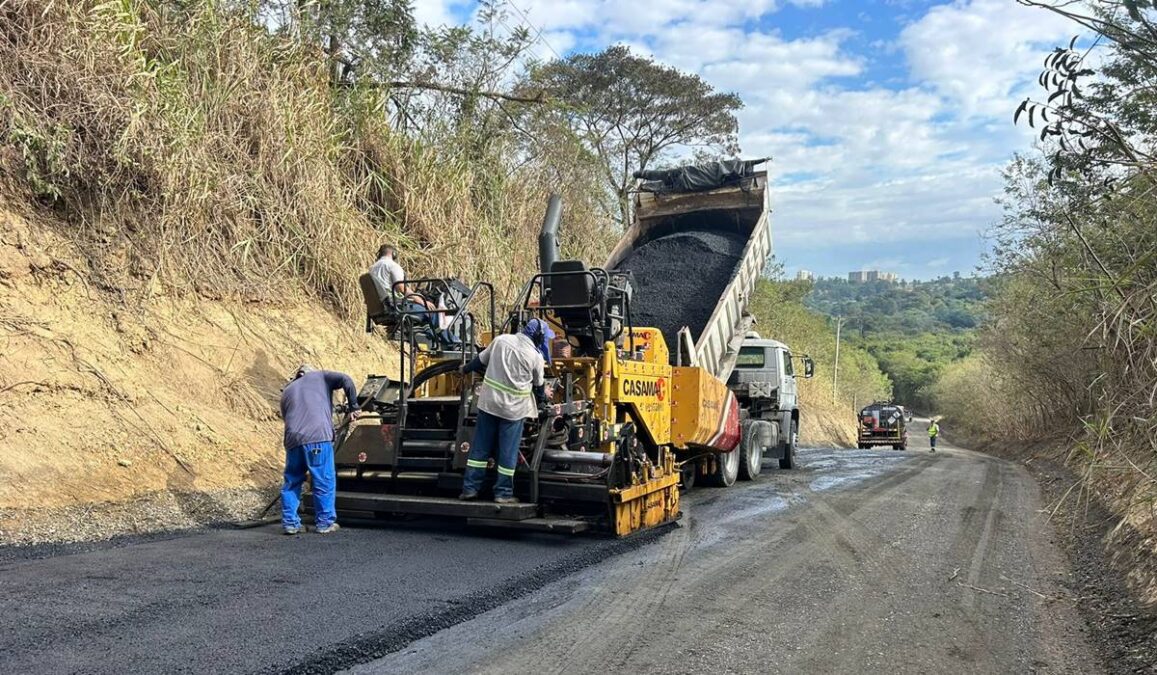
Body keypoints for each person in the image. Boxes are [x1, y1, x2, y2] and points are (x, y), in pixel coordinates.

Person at [458, 319, 554, 504]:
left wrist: (464, 369)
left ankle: (470, 489)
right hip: (513, 411)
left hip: (489, 405)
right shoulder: (535, 357)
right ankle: (502, 493)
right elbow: (539, 388)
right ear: (539, 336)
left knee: (480, 448)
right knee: (507, 452)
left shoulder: (500, 341)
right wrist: (545, 396)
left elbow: (479, 362)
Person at [279, 365, 361, 535]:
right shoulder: (321, 376)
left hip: (293, 439)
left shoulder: (287, 390)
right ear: (311, 371)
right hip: (317, 437)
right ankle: (324, 523)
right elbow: (346, 379)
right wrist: (354, 406)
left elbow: (287, 417)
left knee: (292, 480)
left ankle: (290, 523)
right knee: (323, 478)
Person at [368, 244, 461, 347]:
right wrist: (421, 300)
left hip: (381, 308)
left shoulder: (372, 268)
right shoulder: (392, 266)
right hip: (396, 306)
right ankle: (451, 341)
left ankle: (430, 336)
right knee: (432, 312)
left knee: (423, 315)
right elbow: (401, 287)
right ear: (394, 254)